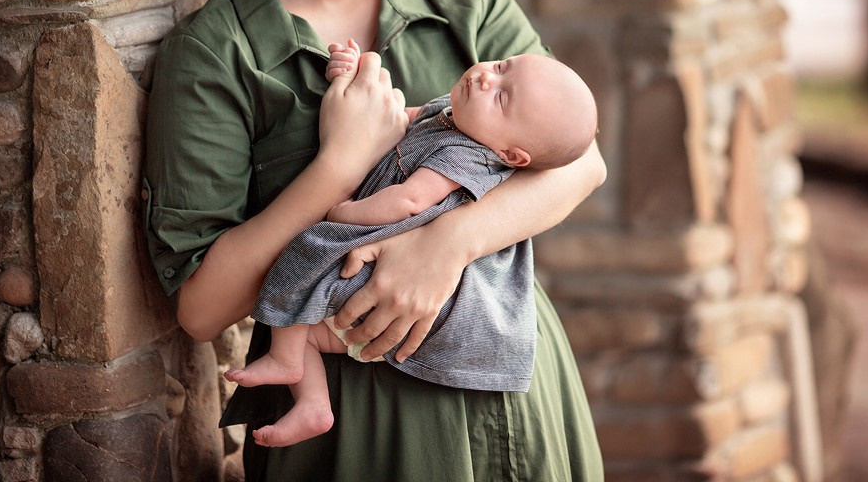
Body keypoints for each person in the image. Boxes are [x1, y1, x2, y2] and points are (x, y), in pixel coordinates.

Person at [143, 0, 608, 482]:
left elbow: (579, 162)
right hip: (364, 429)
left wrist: (447, 244)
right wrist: (337, 167)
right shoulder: (213, 55)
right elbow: (201, 306)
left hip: (520, 392)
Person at [225, 41, 599, 448]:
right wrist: (354, 76)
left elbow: (408, 201)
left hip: (393, 261)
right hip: (384, 255)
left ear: (511, 154)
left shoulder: (467, 156)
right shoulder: (452, 113)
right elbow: (393, 122)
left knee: (306, 256)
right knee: (313, 327)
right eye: (502, 66)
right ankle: (313, 403)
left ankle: (286, 361)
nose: (486, 76)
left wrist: (343, 213)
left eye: (501, 96)